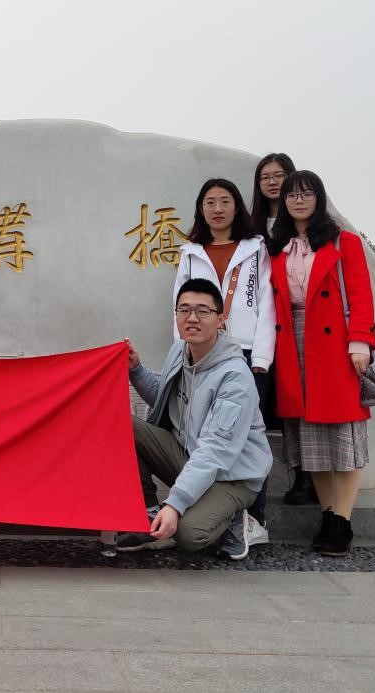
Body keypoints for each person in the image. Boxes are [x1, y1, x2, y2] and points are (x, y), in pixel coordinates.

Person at [116, 278, 273, 559]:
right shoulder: (180, 351)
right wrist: (136, 370)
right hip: (188, 456)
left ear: (221, 320)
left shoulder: (235, 377)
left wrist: (176, 504)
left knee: (190, 534)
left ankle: (237, 519)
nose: (192, 318)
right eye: (184, 310)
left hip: (232, 477)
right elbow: (166, 397)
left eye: (203, 311)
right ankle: (150, 514)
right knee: (121, 425)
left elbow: (216, 450)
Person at [269, 170, 375, 556]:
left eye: (307, 193)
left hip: (335, 346)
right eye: (291, 195)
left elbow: (361, 295)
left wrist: (360, 341)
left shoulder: (344, 241)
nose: (299, 201)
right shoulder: (276, 248)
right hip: (291, 343)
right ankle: (329, 513)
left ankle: (342, 520)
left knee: (343, 435)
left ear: (320, 198)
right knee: (310, 438)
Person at [172, 178, 275, 542]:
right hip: (204, 352)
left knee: (248, 435)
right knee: (206, 429)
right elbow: (179, 305)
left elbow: (266, 302)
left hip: (245, 351)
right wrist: (182, 352)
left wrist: (261, 356)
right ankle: (212, 503)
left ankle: (254, 520)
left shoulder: (255, 248)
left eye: (225, 201)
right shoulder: (190, 252)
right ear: (201, 209)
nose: (217, 209)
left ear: (237, 207)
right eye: (210, 202)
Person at [249, 152, 317, 505]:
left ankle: (310, 475)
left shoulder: (309, 225)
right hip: (263, 325)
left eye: (279, 175)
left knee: (303, 401)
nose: (273, 182)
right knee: (276, 403)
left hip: (299, 323)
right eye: (265, 177)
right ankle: (289, 473)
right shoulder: (251, 225)